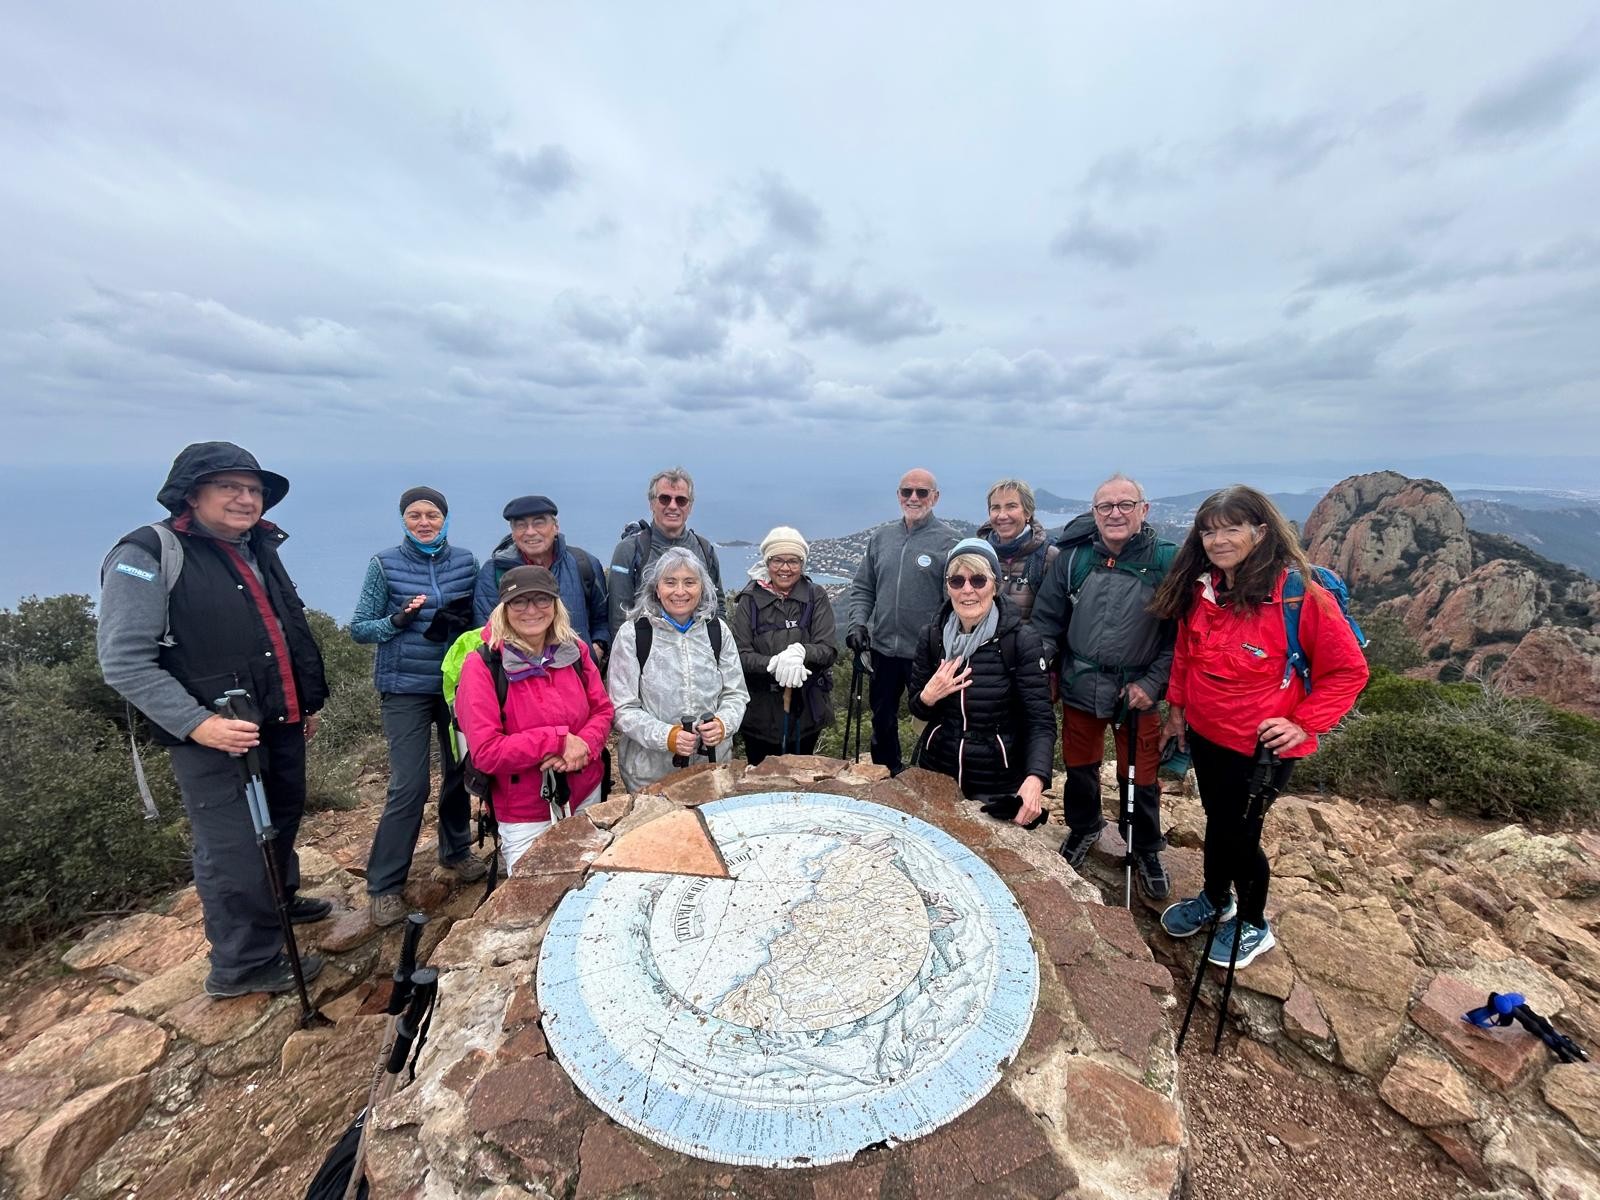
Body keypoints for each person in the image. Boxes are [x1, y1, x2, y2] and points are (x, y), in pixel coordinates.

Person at [98, 442, 330, 998]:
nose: (245, 498)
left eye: (253, 489)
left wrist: (301, 704)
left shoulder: (256, 547)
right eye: (229, 486)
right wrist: (197, 723)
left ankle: (278, 901)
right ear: (191, 494)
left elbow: (280, 632)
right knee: (233, 846)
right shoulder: (148, 553)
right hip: (213, 732)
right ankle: (243, 963)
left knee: (282, 816)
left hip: (276, 717)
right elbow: (124, 660)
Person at [1151, 485, 1368, 968]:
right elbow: (1187, 654)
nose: (1218, 540)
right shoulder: (1203, 590)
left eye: (1232, 529)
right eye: (1209, 532)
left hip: (1261, 748)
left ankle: (1252, 923)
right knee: (1218, 819)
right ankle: (1215, 898)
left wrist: (1304, 724)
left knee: (1241, 833)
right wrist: (1178, 711)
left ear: (1261, 532)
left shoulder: (1298, 597)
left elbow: (1348, 671)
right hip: (1207, 734)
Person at [1032, 474, 1177, 899]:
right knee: (1080, 765)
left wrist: (1153, 682)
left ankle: (1145, 846)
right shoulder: (1072, 560)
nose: (1115, 513)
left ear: (1144, 510)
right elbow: (1046, 622)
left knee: (1141, 773)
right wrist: (1043, 668)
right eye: (1105, 506)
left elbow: (1181, 637)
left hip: (1138, 691)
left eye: (1125, 504)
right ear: (1094, 513)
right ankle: (1085, 826)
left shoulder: (1167, 563)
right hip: (1081, 682)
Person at [351, 487, 485, 927]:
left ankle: (456, 851)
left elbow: (480, 617)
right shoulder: (384, 564)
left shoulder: (465, 562)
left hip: (453, 685)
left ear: (445, 519)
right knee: (409, 785)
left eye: (432, 515)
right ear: (403, 521)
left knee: (458, 770)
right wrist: (397, 621)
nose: (424, 522)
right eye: (414, 515)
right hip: (403, 687)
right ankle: (384, 884)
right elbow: (360, 628)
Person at [455, 566, 615, 873]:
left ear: (555, 605)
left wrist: (583, 745)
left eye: (542, 599)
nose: (531, 610)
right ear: (504, 609)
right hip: (525, 813)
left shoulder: (575, 651)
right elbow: (486, 752)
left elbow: (603, 710)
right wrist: (557, 741)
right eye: (519, 601)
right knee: (535, 893)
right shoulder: (483, 666)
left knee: (591, 884)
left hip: (586, 792)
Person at [907, 539, 1055, 819]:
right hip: (936, 775)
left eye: (978, 580)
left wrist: (1036, 778)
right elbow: (916, 709)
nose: (967, 590)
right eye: (957, 581)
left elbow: (1040, 722)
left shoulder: (1019, 641)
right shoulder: (932, 636)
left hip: (997, 784)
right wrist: (928, 696)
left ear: (995, 585)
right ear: (948, 587)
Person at [606, 547, 749, 792]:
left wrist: (723, 724)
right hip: (650, 774)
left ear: (702, 588)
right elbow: (622, 707)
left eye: (689, 582)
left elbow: (735, 693)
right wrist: (667, 737)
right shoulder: (634, 634)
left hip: (711, 767)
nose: (680, 591)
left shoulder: (716, 631)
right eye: (670, 582)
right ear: (656, 588)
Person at [845, 468, 958, 773]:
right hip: (883, 649)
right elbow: (864, 587)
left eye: (922, 492)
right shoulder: (881, 538)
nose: (913, 498)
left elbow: (953, 603)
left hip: (926, 653)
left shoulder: (949, 542)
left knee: (933, 720)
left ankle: (932, 779)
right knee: (882, 719)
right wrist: (858, 624)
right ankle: (886, 774)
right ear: (898, 495)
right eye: (907, 491)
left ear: (935, 497)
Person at [730, 526, 838, 765]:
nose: (785, 568)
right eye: (777, 560)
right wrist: (774, 664)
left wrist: (802, 653)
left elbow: (828, 649)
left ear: (802, 564)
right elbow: (739, 654)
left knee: (801, 771)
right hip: (759, 715)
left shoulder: (815, 596)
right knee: (761, 773)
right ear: (767, 562)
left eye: (793, 561)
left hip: (806, 712)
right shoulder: (750, 600)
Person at [472, 495, 610, 656]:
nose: (530, 532)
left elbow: (602, 619)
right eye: (521, 525)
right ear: (513, 533)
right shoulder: (494, 571)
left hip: (578, 667)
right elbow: (486, 631)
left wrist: (599, 647)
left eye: (539, 523)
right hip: (516, 670)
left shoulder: (584, 564)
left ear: (555, 527)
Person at [607, 467, 725, 636]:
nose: (673, 506)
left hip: (698, 647)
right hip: (645, 648)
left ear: (690, 507)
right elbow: (619, 614)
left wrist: (718, 643)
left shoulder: (705, 549)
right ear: (651, 503)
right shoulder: (629, 550)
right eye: (664, 499)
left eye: (681, 500)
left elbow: (717, 605)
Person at [978, 478, 1058, 622]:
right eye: (996, 507)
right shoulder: (978, 554)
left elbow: (1052, 620)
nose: (1002, 515)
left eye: (1011, 506)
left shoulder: (1048, 557)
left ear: (1028, 512)